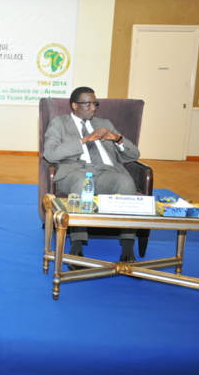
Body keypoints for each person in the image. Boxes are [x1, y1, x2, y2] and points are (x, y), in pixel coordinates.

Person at [43, 86, 140, 268]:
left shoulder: (105, 123)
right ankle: (77, 248)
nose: (93, 108)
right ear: (74, 105)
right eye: (87, 104)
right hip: (75, 172)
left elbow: (134, 155)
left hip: (105, 173)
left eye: (95, 103)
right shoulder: (59, 123)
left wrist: (117, 139)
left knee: (125, 182)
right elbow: (50, 153)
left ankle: (128, 247)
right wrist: (84, 140)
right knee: (82, 182)